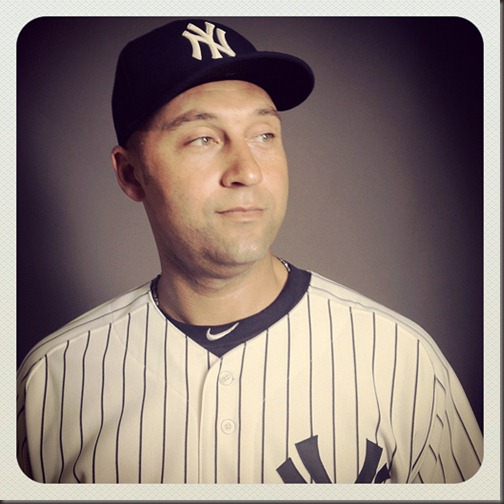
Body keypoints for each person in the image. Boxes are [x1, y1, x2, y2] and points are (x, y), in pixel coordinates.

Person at [16, 18, 482, 484]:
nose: (248, 171)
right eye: (203, 138)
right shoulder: (50, 383)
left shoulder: (404, 361)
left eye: (263, 135)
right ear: (130, 174)